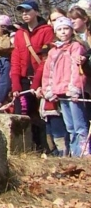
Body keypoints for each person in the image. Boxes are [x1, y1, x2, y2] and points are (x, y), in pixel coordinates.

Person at [38, 17, 87, 156]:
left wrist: (75, 88)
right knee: (70, 126)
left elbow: (77, 70)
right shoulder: (53, 51)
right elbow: (48, 73)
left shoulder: (76, 47)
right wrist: (49, 90)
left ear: (71, 30)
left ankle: (82, 152)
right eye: (59, 29)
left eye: (66, 29)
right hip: (59, 92)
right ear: (55, 32)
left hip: (72, 91)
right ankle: (74, 152)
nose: (63, 32)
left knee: (79, 125)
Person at [11, 0, 53, 151]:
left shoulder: (46, 31)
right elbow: (15, 59)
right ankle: (22, 149)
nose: (25, 14)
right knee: (20, 114)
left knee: (38, 115)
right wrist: (15, 83)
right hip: (22, 79)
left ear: (36, 12)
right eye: (22, 12)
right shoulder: (19, 34)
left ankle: (43, 148)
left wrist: (36, 83)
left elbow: (45, 59)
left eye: (28, 11)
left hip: (40, 79)